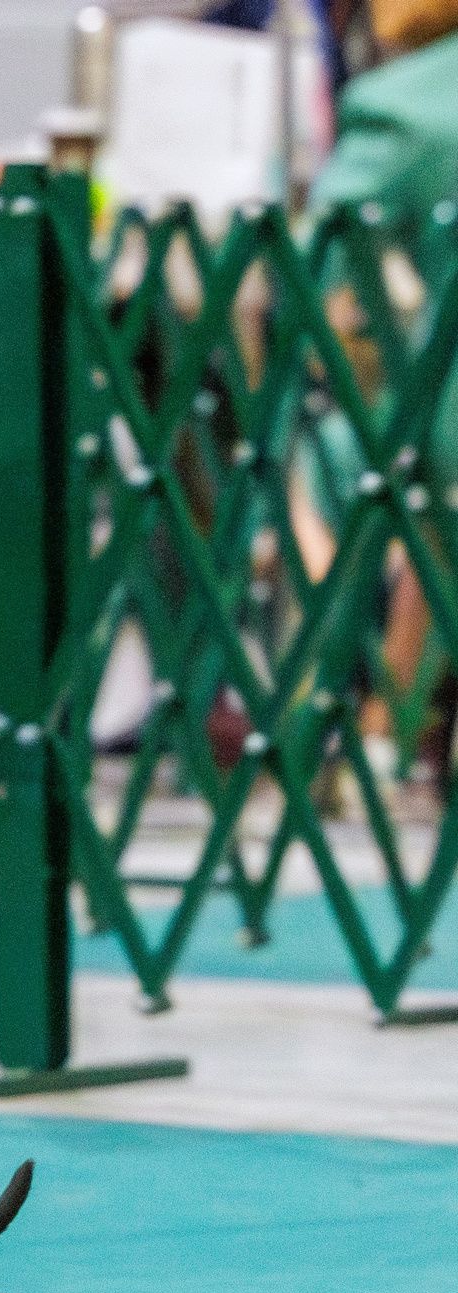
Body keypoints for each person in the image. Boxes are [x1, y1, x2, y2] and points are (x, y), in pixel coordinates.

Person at [307, 0, 456, 811]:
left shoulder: (404, 105)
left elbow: (308, 270)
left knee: (321, 454)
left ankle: (355, 719)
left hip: (447, 421)